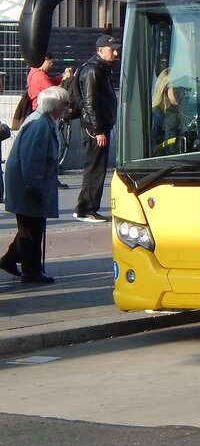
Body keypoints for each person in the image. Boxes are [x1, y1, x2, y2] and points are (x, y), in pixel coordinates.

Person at [1, 85, 71, 284]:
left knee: (31, 225)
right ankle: (30, 271)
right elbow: (32, 158)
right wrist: (33, 187)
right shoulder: (40, 124)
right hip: (27, 184)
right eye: (65, 103)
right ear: (54, 104)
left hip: (29, 183)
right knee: (31, 227)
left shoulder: (44, 121)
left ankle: (11, 260)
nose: (68, 107)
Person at [74, 34, 120, 223]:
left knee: (96, 167)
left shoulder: (102, 68)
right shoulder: (93, 70)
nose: (115, 53)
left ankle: (86, 207)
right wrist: (98, 129)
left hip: (97, 126)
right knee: (95, 168)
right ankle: (86, 209)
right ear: (100, 50)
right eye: (112, 50)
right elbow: (90, 102)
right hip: (94, 128)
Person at [26, 56, 72, 189]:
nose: (51, 66)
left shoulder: (33, 73)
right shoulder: (40, 76)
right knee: (50, 148)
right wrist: (65, 80)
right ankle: (51, 177)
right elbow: (53, 92)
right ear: (44, 60)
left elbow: (50, 82)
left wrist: (61, 76)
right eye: (50, 63)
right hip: (44, 111)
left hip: (38, 109)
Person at [151, 68, 183, 151]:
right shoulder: (155, 116)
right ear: (164, 89)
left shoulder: (178, 113)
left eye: (182, 88)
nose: (180, 92)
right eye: (177, 87)